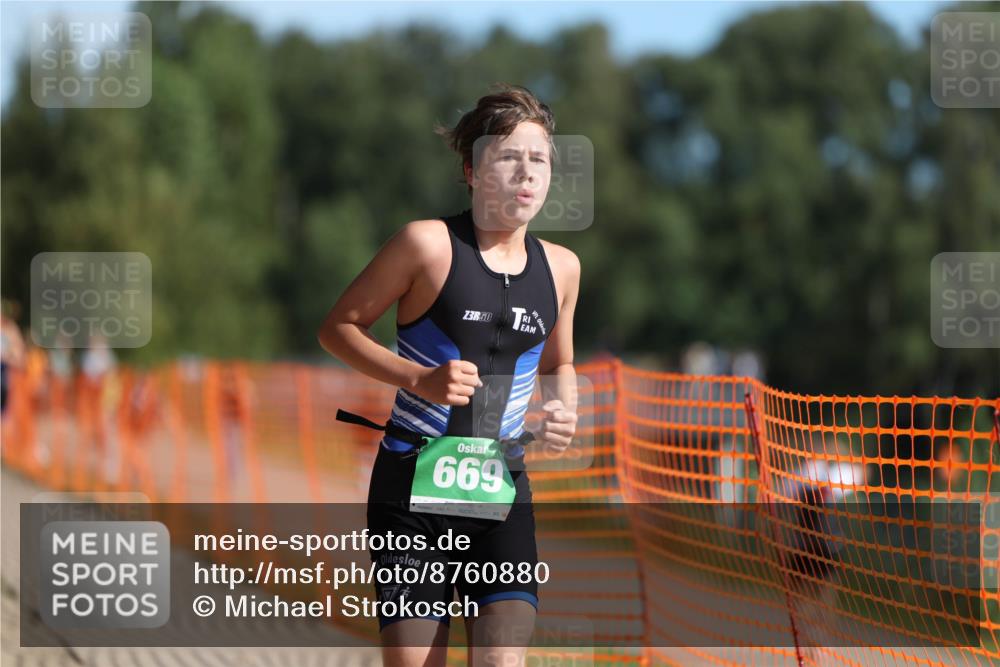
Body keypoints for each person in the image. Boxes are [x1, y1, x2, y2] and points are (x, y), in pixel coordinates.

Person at [318, 83, 581, 667]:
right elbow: (337, 328)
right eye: (508, 155)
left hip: (501, 490)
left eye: (538, 159)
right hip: (413, 489)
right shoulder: (426, 244)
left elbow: (560, 361)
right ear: (472, 169)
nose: (525, 172)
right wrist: (418, 379)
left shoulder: (562, 268)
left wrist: (566, 408)